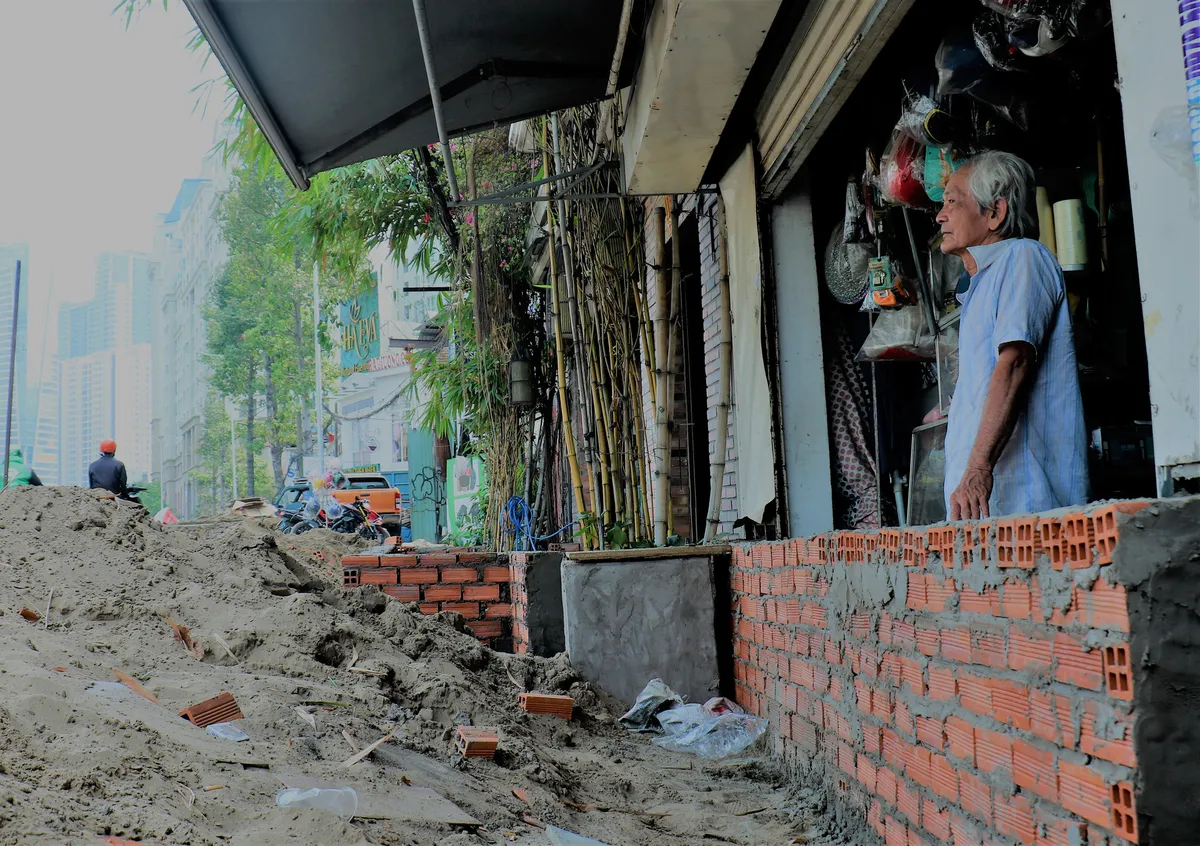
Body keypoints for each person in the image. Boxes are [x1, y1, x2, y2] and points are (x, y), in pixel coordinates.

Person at [936, 150, 1087, 520]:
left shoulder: (1022, 258)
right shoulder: (980, 287)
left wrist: (977, 470)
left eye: (952, 202)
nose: (940, 215)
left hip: (1031, 506)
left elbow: (1016, 360)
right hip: (995, 513)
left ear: (994, 213)